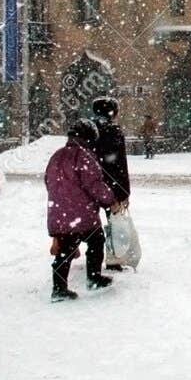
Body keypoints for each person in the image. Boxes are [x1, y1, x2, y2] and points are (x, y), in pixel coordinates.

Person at [45, 120, 120, 301]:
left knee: (66, 250)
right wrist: (110, 200)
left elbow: (48, 181)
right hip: (81, 213)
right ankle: (93, 277)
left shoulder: (57, 155)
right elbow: (94, 185)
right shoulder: (84, 156)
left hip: (60, 212)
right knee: (96, 241)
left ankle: (59, 287)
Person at [87, 96, 133, 271]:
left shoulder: (87, 129)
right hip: (111, 183)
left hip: (89, 182)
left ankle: (89, 259)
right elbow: (120, 163)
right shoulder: (113, 130)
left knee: (87, 221)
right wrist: (124, 192)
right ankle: (113, 258)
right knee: (113, 221)